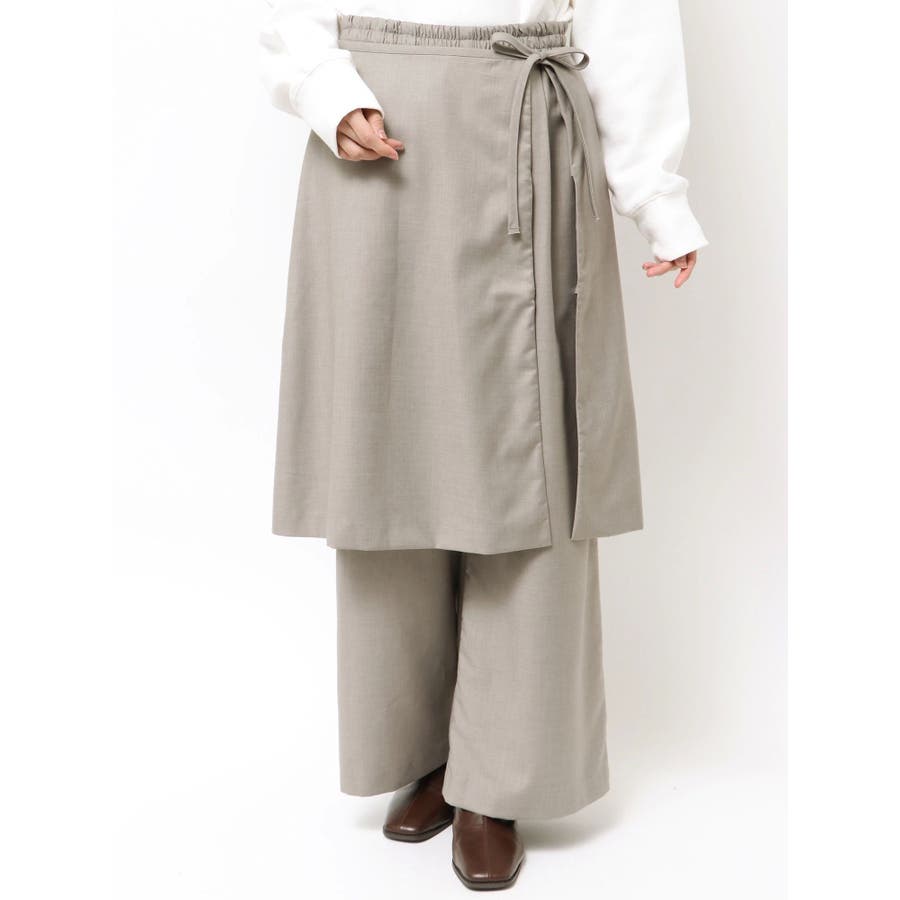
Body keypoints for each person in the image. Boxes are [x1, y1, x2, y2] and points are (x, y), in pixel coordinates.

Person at [260, 0, 707, 891]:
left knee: (523, 466)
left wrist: (655, 193)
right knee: (387, 457)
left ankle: (497, 780)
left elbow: (626, 17)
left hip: (519, 131)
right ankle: (421, 749)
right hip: (371, 124)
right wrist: (325, 90)